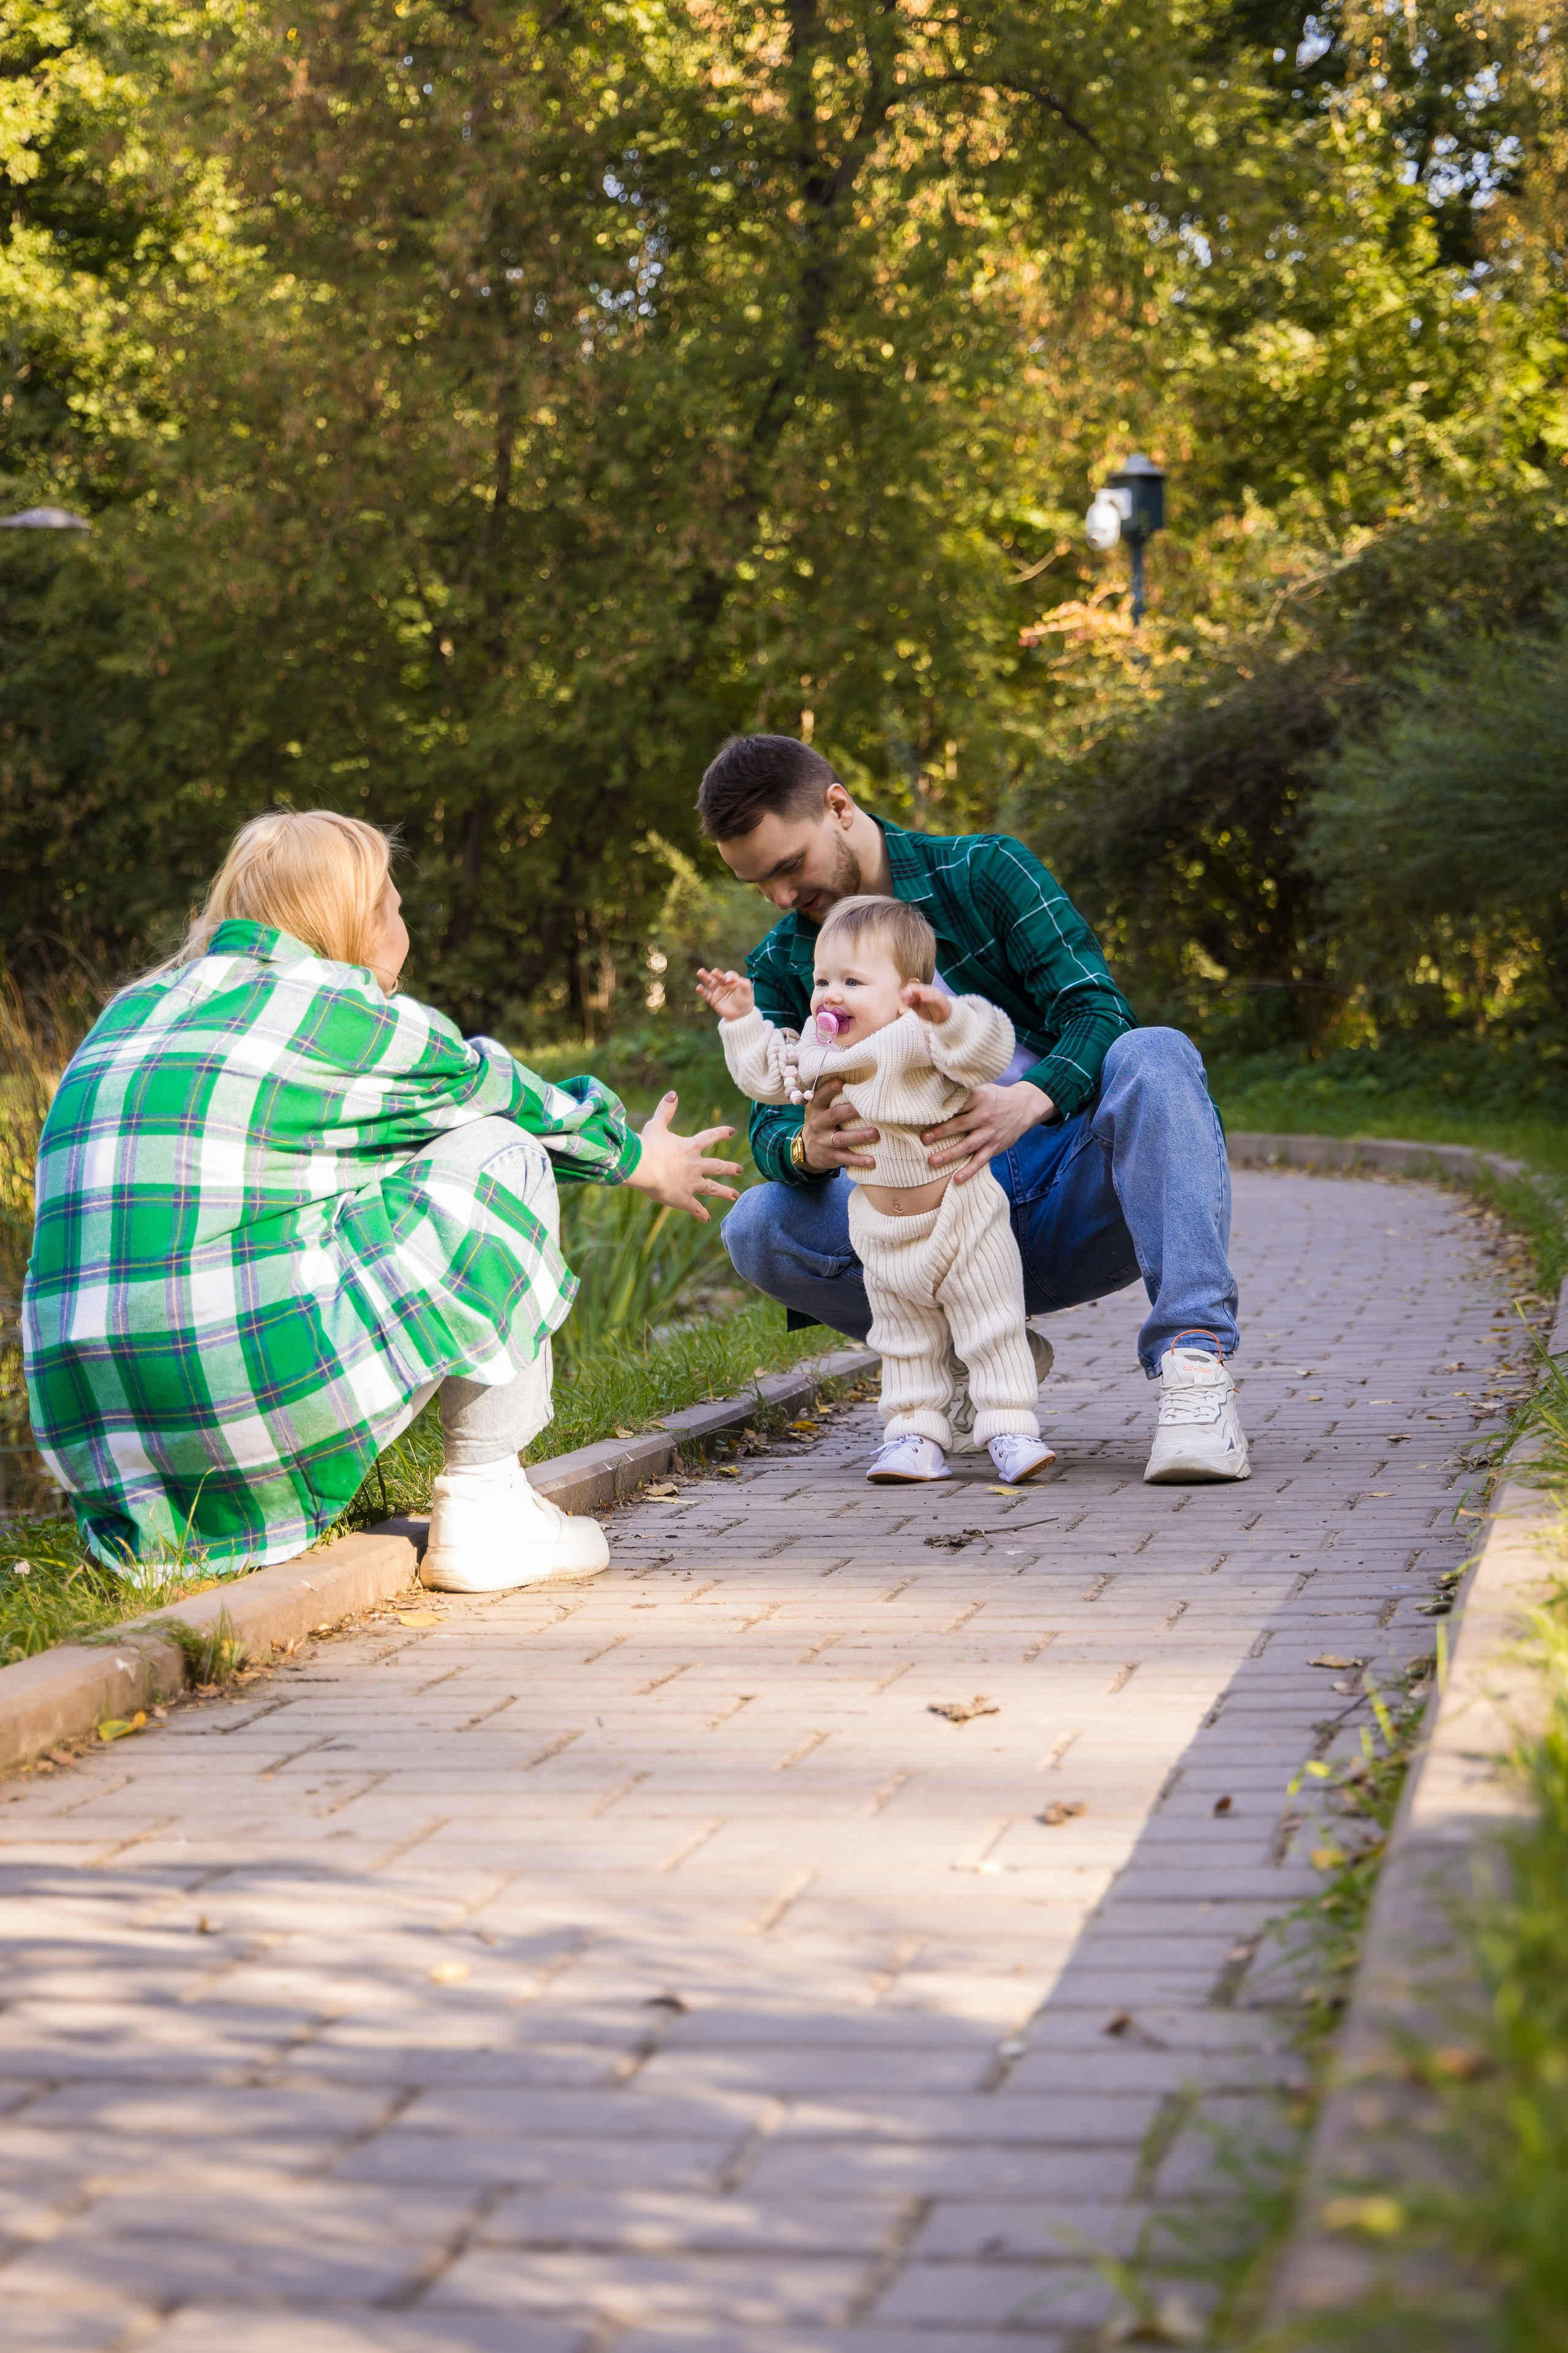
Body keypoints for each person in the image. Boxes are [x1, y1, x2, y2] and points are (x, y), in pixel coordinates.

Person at [23, 811, 739, 1593]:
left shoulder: (131, 1011)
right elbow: (501, 1095)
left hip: (115, 1478)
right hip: (236, 1423)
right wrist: (640, 1158)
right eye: (394, 907)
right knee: (505, 1152)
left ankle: (175, 1530)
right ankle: (488, 1504)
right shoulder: (337, 1008)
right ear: (357, 916)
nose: (403, 928)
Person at [701, 735, 1250, 1484]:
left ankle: (1194, 1367)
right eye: (758, 884)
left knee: (1155, 1052)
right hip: (919, 1227)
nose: (781, 898)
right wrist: (803, 1145)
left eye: (789, 867)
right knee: (756, 1226)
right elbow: (769, 1114)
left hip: (1066, 1195)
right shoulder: (786, 963)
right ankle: (967, 1351)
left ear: (838, 806)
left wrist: (1029, 1100)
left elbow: (1096, 1009)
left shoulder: (985, 871)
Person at [699, 895, 1055, 1487]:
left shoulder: (923, 1036)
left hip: (962, 1218)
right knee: (903, 1338)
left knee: (992, 1326)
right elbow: (768, 1076)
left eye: (852, 981)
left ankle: (1011, 1428)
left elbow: (987, 1049)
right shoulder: (821, 1046)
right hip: (881, 1231)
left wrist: (949, 1015)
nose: (830, 995)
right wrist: (741, 1019)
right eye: (822, 980)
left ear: (906, 991)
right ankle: (914, 1436)